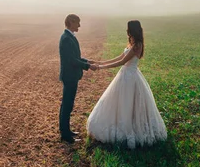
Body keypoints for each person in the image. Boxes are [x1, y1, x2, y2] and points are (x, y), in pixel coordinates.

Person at [86, 20, 167, 149]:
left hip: (130, 78)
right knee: (122, 103)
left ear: (132, 29)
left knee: (128, 104)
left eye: (128, 28)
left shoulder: (137, 45)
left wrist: (100, 67)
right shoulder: (132, 43)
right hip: (125, 75)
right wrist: (97, 61)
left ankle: (130, 129)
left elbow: (122, 62)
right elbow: (119, 58)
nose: (126, 31)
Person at [59, 14, 98, 143]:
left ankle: (67, 131)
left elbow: (75, 57)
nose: (79, 26)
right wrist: (88, 66)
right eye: (78, 23)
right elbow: (71, 60)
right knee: (67, 105)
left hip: (72, 76)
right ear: (71, 22)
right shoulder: (66, 39)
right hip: (69, 76)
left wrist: (87, 60)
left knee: (68, 104)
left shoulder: (69, 37)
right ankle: (65, 135)